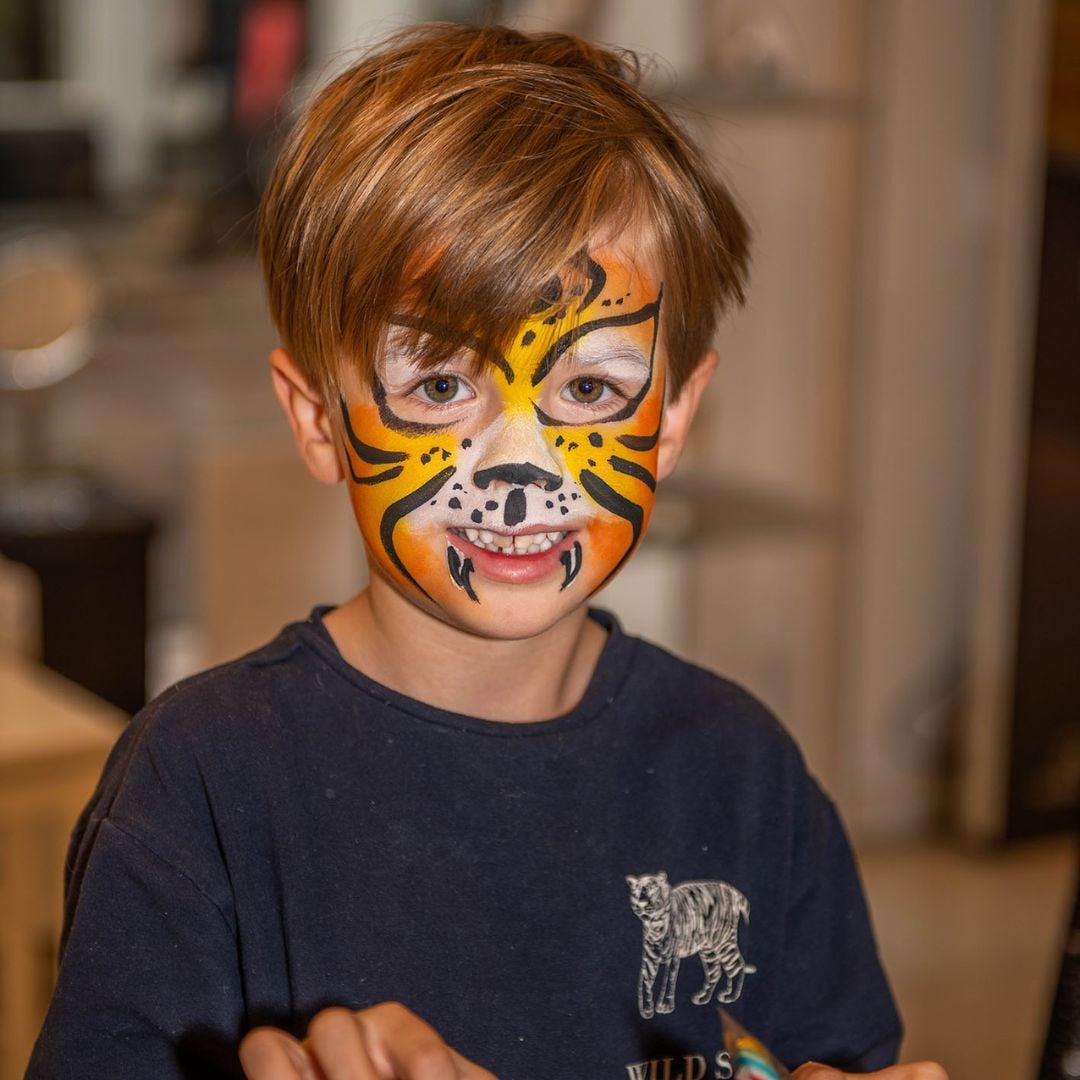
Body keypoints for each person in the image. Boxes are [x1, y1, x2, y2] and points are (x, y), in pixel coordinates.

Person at [27, 22, 948, 1080]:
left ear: (676, 418)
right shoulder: (199, 785)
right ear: (320, 417)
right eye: (440, 386)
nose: (521, 464)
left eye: (592, 389)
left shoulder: (745, 776)